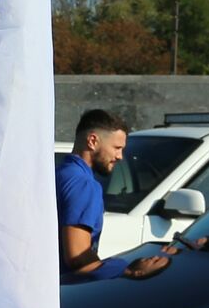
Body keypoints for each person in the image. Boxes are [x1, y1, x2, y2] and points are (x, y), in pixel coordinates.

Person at [56, 110, 167, 282]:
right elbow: (77, 257)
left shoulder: (59, 174)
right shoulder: (84, 185)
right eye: (117, 148)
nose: (120, 156)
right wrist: (126, 270)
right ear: (92, 141)